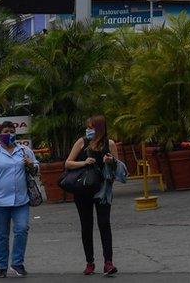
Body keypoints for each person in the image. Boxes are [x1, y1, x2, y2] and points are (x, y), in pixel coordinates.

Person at [0, 120, 38, 278]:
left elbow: (36, 169)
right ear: (0, 134)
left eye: (11, 131)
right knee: (1, 235)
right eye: (5, 131)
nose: (9, 134)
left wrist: (31, 164)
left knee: (22, 229)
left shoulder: (24, 151)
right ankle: (1, 266)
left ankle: (17, 263)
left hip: (21, 200)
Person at [65, 115, 119, 276]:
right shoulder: (81, 142)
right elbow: (68, 163)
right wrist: (84, 162)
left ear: (100, 128)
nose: (88, 130)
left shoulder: (110, 144)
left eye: (91, 127)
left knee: (104, 224)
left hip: (102, 189)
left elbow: (119, 169)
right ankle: (90, 262)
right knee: (86, 225)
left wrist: (110, 162)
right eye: (87, 127)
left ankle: (108, 262)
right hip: (82, 190)